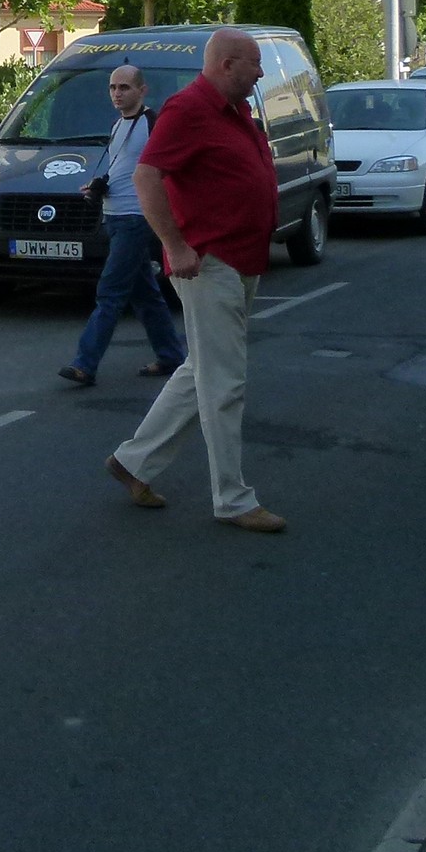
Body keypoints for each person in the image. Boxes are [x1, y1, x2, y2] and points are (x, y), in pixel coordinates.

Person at [103, 28, 285, 533]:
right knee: (225, 382)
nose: (261, 73)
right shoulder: (188, 109)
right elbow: (146, 176)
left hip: (240, 258)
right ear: (227, 64)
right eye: (254, 63)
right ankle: (233, 498)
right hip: (208, 261)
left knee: (201, 370)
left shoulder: (235, 111)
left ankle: (133, 462)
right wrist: (176, 245)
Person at [59, 66, 186, 387]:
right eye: (113, 87)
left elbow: (166, 168)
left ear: (142, 90)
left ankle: (85, 364)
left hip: (135, 217)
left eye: (125, 87)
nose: (117, 93)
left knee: (110, 291)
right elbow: (124, 168)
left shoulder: (153, 123)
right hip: (114, 216)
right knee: (145, 295)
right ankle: (171, 356)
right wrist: (100, 184)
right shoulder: (118, 125)